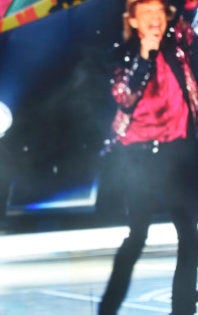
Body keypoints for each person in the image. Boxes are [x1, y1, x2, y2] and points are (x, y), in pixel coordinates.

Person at [98, 0, 198, 314]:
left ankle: (182, 308)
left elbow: (189, 9)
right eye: (146, 14)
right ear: (134, 20)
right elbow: (123, 98)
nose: (154, 20)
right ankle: (107, 308)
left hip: (178, 154)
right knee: (137, 235)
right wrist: (145, 56)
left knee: (190, 234)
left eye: (159, 13)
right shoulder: (123, 53)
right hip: (140, 159)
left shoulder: (178, 43)